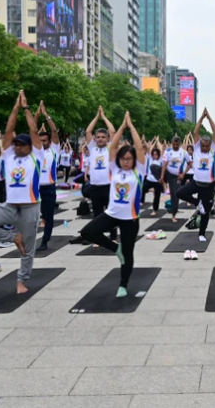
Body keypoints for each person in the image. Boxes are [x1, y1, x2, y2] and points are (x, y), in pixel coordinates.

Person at [0, 91, 43, 293]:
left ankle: (21, 281)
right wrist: (15, 107)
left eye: (22, 145)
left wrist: (27, 108)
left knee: (28, 250)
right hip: (9, 207)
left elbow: (34, 131)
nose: (18, 148)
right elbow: (9, 130)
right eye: (16, 145)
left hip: (30, 207)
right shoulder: (9, 157)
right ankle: (13, 238)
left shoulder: (36, 157)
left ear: (30, 147)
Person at [80, 112, 146, 297]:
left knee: (128, 253)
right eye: (123, 159)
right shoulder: (114, 168)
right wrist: (121, 128)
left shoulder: (139, 171)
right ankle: (114, 248)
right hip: (112, 213)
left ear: (133, 161)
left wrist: (131, 127)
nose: (125, 161)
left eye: (129, 159)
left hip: (130, 219)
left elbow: (139, 149)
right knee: (87, 232)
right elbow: (114, 146)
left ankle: (123, 285)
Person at [177, 108, 215, 246]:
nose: (205, 148)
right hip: (196, 183)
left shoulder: (214, 152)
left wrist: (209, 118)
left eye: (207, 146)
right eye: (203, 145)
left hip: (208, 186)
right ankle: (197, 203)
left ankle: (201, 234)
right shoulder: (196, 150)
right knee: (180, 193)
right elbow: (196, 132)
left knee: (206, 213)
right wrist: (201, 118)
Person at [84, 106, 117, 243]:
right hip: (95, 187)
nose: (100, 139)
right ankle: (99, 239)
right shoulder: (92, 148)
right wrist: (96, 117)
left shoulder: (110, 147)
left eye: (103, 137)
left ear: (107, 139)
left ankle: (113, 237)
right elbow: (88, 131)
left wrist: (103, 117)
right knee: (97, 214)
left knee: (111, 213)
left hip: (109, 186)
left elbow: (113, 131)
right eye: (98, 137)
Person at [35, 101, 61, 251]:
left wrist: (46, 115)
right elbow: (32, 130)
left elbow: (54, 132)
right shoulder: (34, 151)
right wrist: (37, 115)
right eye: (40, 140)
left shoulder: (54, 150)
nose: (42, 142)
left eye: (44, 140)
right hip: (35, 188)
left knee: (48, 216)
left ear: (50, 141)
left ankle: (45, 241)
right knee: (32, 217)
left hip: (49, 188)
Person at [160, 135, 192, 223]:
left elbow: (190, 163)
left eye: (177, 145)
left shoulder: (183, 152)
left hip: (178, 176)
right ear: (171, 143)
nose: (175, 146)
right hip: (168, 174)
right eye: (173, 144)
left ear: (179, 144)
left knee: (176, 194)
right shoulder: (167, 151)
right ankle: (173, 210)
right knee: (154, 167)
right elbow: (164, 164)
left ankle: (174, 213)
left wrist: (183, 173)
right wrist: (162, 176)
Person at [142, 143, 164, 215]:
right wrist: (153, 143)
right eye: (153, 154)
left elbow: (160, 150)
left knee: (157, 196)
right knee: (142, 189)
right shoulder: (149, 159)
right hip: (149, 180)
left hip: (157, 181)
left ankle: (155, 210)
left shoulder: (160, 160)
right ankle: (151, 190)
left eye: (156, 154)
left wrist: (157, 141)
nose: (155, 156)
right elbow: (149, 149)